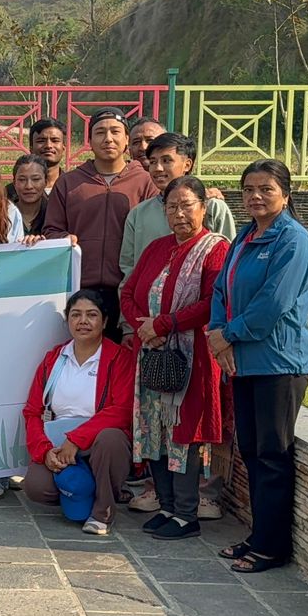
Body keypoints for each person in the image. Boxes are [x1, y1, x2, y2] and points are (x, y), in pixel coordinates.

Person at [209, 159, 308, 574]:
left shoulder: (294, 241)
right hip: (244, 361)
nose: (256, 196)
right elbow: (221, 288)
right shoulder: (245, 235)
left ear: (285, 194)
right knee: (251, 452)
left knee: (272, 455)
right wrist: (217, 333)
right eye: (249, 189)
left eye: (266, 189)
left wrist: (227, 334)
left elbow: (273, 303)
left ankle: (272, 547)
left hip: (279, 363)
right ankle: (258, 535)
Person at [119, 176, 231, 540]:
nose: (179, 214)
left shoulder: (215, 249)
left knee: (184, 431)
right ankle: (166, 506)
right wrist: (144, 328)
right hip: (152, 354)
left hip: (191, 358)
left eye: (186, 205)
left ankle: (186, 513)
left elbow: (212, 302)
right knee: (154, 428)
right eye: (171, 207)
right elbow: (128, 292)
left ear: (203, 208)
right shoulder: (157, 247)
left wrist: (164, 324)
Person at [20, 290, 136, 535]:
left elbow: (123, 410)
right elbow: (32, 412)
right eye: (76, 315)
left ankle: (102, 511)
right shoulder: (54, 358)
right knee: (36, 486)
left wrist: (75, 440)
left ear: (105, 321)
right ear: (67, 320)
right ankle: (84, 491)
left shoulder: (119, 358)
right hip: (59, 442)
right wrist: (45, 451)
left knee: (111, 439)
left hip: (97, 442)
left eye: (91, 315)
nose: (83, 321)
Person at [44, 107, 155, 342]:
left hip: (129, 291)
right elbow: (51, 230)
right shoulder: (68, 183)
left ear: (127, 139)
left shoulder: (146, 182)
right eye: (100, 132)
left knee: (125, 360)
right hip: (80, 291)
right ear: (90, 141)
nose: (108, 139)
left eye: (115, 131)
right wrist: (64, 238)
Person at [120, 133, 238, 281]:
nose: (158, 168)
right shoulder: (139, 213)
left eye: (166, 161)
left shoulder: (213, 207)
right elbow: (129, 268)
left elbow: (229, 260)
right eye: (153, 162)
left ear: (187, 165)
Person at [10, 155, 49, 236]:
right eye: (22, 180)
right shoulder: (4, 214)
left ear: (45, 182)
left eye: (36, 179)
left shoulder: (55, 214)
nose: (29, 186)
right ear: (14, 183)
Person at [28, 118, 68, 191]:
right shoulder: (13, 192)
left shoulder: (73, 188)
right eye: (41, 141)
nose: (48, 145)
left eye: (55, 141)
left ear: (63, 147)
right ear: (31, 148)